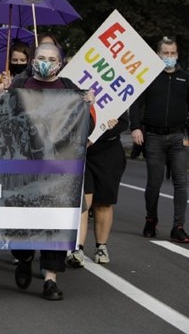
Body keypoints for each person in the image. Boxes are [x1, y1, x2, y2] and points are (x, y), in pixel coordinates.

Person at [0, 43, 95, 300]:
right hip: (23, 168)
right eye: (41, 57)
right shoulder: (20, 86)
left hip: (59, 171)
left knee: (56, 224)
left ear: (60, 63)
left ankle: (51, 279)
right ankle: (24, 256)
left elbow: (86, 128)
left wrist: (88, 106)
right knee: (20, 223)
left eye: (51, 59)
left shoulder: (69, 88)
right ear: (32, 60)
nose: (46, 62)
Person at [129, 36, 189, 243]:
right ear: (158, 54)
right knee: (154, 183)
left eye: (173, 54)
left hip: (178, 137)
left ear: (177, 55)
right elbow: (135, 104)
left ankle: (178, 226)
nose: (169, 57)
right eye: (166, 53)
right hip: (153, 136)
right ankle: (151, 219)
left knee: (181, 182)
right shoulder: (149, 77)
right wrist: (135, 127)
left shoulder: (185, 78)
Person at [67, 111, 128, 267]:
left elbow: (124, 122)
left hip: (109, 152)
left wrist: (109, 128)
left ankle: (101, 246)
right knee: (83, 201)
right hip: (81, 151)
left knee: (104, 203)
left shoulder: (117, 94)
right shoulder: (77, 89)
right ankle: (77, 248)